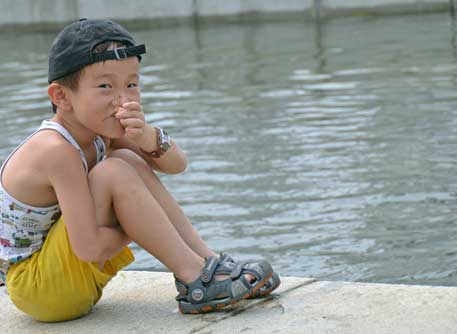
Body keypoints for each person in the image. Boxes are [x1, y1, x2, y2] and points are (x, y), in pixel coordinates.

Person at [0, 18, 280, 322]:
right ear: (61, 97)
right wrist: (138, 222)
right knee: (113, 173)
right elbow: (90, 248)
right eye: (105, 86)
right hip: (41, 288)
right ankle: (195, 277)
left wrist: (145, 135)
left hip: (69, 279)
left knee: (129, 161)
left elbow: (177, 164)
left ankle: (207, 262)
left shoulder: (102, 132)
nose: (123, 99)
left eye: (131, 84)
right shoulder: (56, 150)